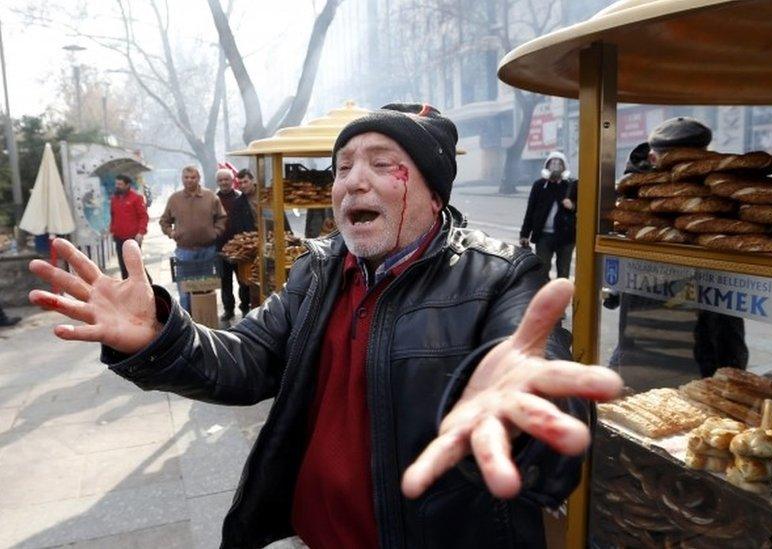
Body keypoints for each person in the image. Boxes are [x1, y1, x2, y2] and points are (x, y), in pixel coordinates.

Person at [26, 103, 623, 549]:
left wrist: (520, 410)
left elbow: (542, 391)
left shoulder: (498, 276)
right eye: (342, 168)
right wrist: (162, 333)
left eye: (383, 165)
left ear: (434, 194)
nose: (351, 181)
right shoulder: (319, 270)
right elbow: (245, 357)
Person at [607, 117, 748, 380]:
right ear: (653, 159)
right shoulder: (634, 199)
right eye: (678, 161)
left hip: (701, 348)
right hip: (653, 345)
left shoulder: (719, 197)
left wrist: (732, 362)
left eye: (695, 161)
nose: (688, 170)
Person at [159, 165, 227, 312]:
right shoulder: (174, 199)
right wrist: (171, 233)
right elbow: (164, 221)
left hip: (208, 251)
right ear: (182, 179)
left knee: (206, 289)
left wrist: (215, 232)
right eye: (186, 177)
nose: (189, 180)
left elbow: (222, 217)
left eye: (193, 177)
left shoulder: (210, 197)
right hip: (185, 252)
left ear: (198, 178)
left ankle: (205, 319)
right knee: (185, 291)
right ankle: (187, 321)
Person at [519, 151, 578, 279]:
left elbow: (584, 208)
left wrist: (573, 206)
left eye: (559, 163)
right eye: (552, 163)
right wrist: (524, 234)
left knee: (563, 272)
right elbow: (531, 210)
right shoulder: (539, 185)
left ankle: (561, 298)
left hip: (566, 237)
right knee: (542, 270)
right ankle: (546, 297)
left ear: (564, 167)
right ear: (547, 166)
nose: (555, 166)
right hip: (543, 237)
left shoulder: (571, 185)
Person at [215, 168, 252, 320]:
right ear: (218, 182)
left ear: (232, 181)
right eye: (221, 180)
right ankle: (228, 310)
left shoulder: (240, 198)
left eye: (227, 179)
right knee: (225, 282)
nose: (224, 182)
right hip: (221, 247)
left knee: (244, 280)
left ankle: (245, 307)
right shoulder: (213, 199)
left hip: (241, 247)